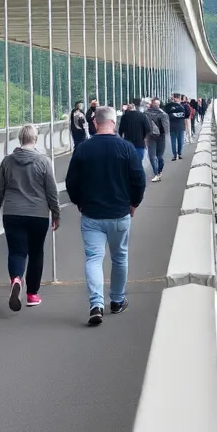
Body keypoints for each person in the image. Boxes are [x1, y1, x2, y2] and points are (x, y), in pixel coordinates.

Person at [65, 105, 145, 326]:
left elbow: (71, 181)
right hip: (120, 213)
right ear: (113, 122)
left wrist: (79, 201)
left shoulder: (83, 148)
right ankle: (117, 301)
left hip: (91, 214)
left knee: (93, 258)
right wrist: (134, 203)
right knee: (119, 258)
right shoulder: (126, 148)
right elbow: (139, 179)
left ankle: (96, 304)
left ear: (94, 122)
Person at [0, 123, 60, 311]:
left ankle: (15, 279)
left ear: (20, 139)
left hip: (13, 213)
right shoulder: (44, 161)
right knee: (36, 253)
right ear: (35, 139)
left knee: (17, 252)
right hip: (38, 214)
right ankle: (32, 294)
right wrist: (56, 212)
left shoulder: (7, 161)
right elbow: (51, 190)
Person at [118, 97, 153, 170]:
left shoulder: (124, 117)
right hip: (140, 142)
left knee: (129, 163)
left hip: (128, 143)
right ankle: (140, 178)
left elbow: (120, 130)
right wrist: (145, 139)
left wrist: (121, 138)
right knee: (139, 162)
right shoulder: (142, 116)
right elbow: (148, 129)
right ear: (134, 108)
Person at [145, 97, 170, 182]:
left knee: (154, 156)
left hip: (151, 136)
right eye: (156, 104)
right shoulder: (163, 114)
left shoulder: (146, 113)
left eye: (157, 104)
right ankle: (157, 173)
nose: (157, 105)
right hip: (159, 136)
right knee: (157, 156)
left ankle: (157, 172)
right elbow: (166, 129)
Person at [163, 93, 188, 159]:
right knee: (180, 141)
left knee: (173, 141)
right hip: (181, 126)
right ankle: (179, 154)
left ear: (174, 98)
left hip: (172, 126)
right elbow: (187, 114)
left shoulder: (168, 106)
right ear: (179, 98)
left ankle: (175, 155)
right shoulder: (183, 106)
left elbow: (165, 114)